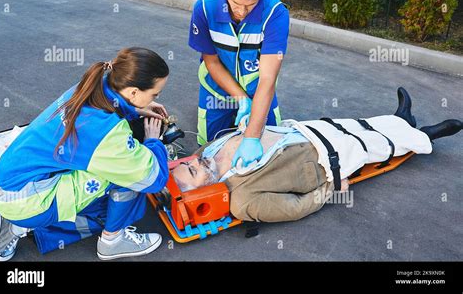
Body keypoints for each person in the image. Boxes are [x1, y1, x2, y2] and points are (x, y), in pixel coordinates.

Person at [170, 88, 462, 222]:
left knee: (355, 125)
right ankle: (428, 135)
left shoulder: (205, 156)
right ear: (203, 194)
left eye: (188, 163)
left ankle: (402, 117)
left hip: (302, 133)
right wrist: (331, 189)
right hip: (322, 160)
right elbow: (296, 207)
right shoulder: (243, 201)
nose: (195, 160)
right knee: (370, 145)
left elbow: (197, 160)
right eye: (193, 170)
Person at [0, 47, 170, 261]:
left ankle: (16, 225)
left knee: (112, 171)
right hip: (24, 201)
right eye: (153, 94)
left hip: (8, 181)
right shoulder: (107, 135)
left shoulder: (89, 86)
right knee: (128, 171)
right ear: (133, 92)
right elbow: (153, 179)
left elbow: (101, 119)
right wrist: (152, 140)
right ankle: (112, 241)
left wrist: (136, 109)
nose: (154, 98)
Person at [188, 0, 290, 170]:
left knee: (273, 154)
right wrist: (241, 99)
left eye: (250, 5)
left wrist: (252, 138)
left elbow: (268, 78)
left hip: (260, 91)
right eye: (236, 3)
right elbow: (212, 62)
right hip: (216, 92)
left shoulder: (275, 14)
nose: (242, 12)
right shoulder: (205, 7)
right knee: (209, 153)